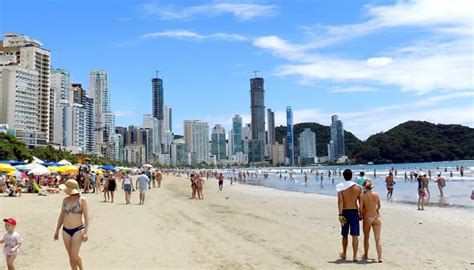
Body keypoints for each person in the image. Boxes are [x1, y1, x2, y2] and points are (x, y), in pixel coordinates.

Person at [54, 179, 89, 270]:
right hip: (65, 230)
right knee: (70, 256)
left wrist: (85, 232)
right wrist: (57, 230)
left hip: (77, 229)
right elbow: (61, 216)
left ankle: (81, 268)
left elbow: (86, 217)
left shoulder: (82, 200)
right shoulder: (65, 200)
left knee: (74, 254)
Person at [336, 169, 362, 262]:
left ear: (344, 176)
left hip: (345, 212)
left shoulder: (340, 187)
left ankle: (344, 253)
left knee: (345, 234)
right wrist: (361, 212)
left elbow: (340, 201)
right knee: (355, 235)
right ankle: (355, 256)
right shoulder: (358, 187)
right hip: (354, 211)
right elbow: (360, 202)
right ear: (351, 176)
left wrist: (340, 214)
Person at [360, 180, 383, 263]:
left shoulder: (362, 196)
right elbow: (379, 206)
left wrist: (362, 213)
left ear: (364, 187)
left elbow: (361, 209)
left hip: (367, 217)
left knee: (366, 237)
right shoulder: (376, 195)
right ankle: (380, 257)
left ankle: (366, 254)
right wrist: (375, 210)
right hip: (376, 217)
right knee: (378, 239)